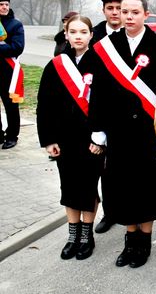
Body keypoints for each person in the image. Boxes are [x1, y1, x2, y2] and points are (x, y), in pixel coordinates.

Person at [89, 0, 156, 268]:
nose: (129, 17)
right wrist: (98, 130)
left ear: (146, 14)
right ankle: (130, 239)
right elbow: (97, 91)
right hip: (118, 130)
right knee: (122, 186)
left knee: (145, 186)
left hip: (148, 131)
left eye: (135, 12)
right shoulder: (106, 46)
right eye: (125, 12)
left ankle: (144, 242)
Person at [37, 15, 104, 261]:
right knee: (69, 186)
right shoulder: (56, 65)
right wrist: (48, 139)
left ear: (90, 35)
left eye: (83, 32)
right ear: (65, 34)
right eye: (73, 31)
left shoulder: (99, 64)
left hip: (90, 139)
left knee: (87, 186)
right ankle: (72, 234)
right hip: (63, 139)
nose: (78, 36)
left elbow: (106, 104)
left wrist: (101, 138)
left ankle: (87, 236)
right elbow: (44, 105)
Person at [92, 0, 125, 234]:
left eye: (118, 8)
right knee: (105, 169)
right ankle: (109, 212)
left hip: (128, 114)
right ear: (103, 10)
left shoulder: (132, 35)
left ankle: (127, 211)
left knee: (124, 167)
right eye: (110, 8)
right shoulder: (93, 37)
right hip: (100, 110)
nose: (115, 13)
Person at [0, 0, 24, 149]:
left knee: (11, 105)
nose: (4, 7)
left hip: (8, 71)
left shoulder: (15, 25)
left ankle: (12, 135)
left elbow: (17, 47)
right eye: (1, 4)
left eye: (6, 4)